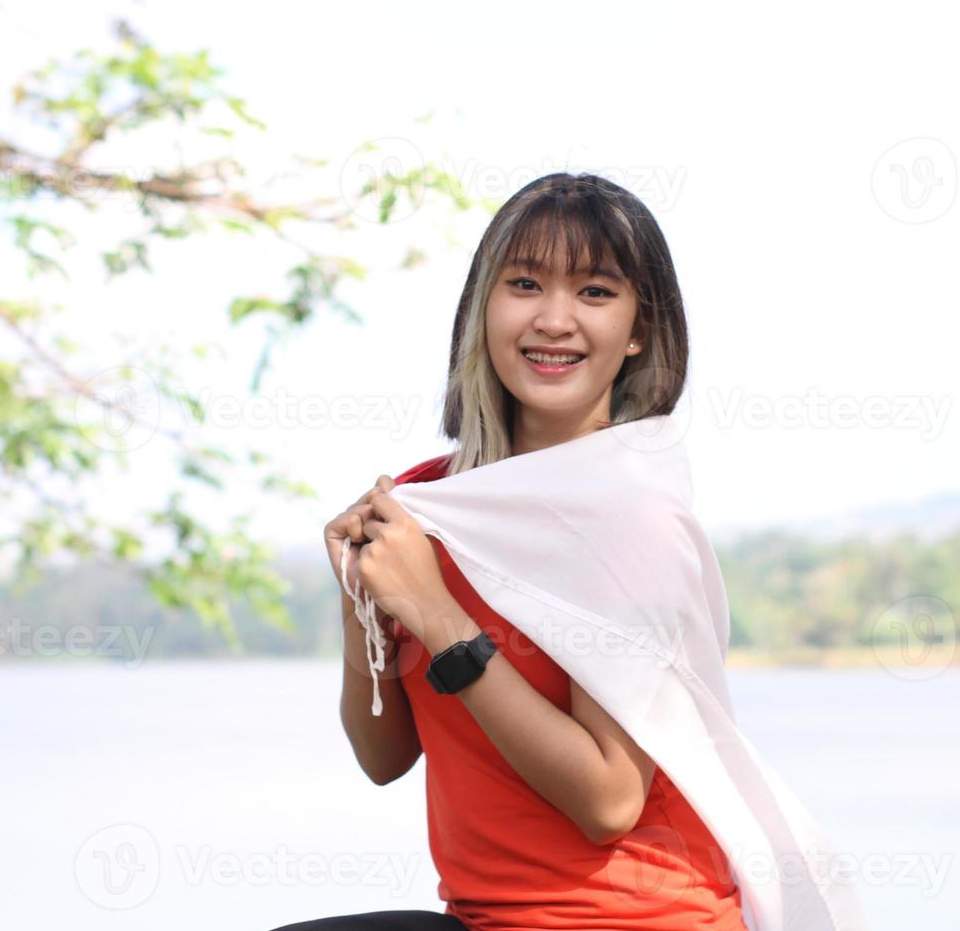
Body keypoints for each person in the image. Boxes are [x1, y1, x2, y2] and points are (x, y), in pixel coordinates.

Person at [294, 173, 746, 931]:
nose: (555, 319)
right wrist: (364, 599)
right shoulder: (425, 504)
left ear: (639, 329)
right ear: (483, 307)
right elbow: (383, 759)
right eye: (526, 283)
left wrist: (435, 612)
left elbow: (608, 801)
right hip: (482, 919)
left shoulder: (628, 512)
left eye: (596, 292)